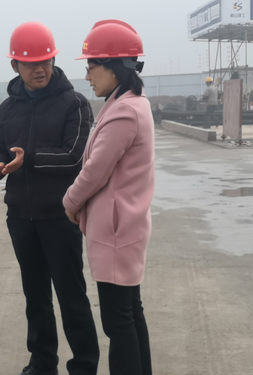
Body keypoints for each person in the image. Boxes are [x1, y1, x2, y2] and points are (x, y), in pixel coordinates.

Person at [0, 21, 99, 375]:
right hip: (20, 215)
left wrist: (27, 159)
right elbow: (1, 147)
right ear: (15, 65)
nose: (40, 69)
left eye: (45, 61)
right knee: (35, 296)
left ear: (54, 61)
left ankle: (84, 366)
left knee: (71, 294)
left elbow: (74, 157)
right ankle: (42, 361)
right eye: (30, 63)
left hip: (60, 216)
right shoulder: (8, 107)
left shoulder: (74, 104)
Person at [62, 20, 154, 375]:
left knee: (118, 322)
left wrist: (70, 202)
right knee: (130, 313)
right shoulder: (132, 103)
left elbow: (95, 170)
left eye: (91, 66)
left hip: (116, 232)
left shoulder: (124, 112)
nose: (87, 76)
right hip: (125, 227)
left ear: (114, 67)